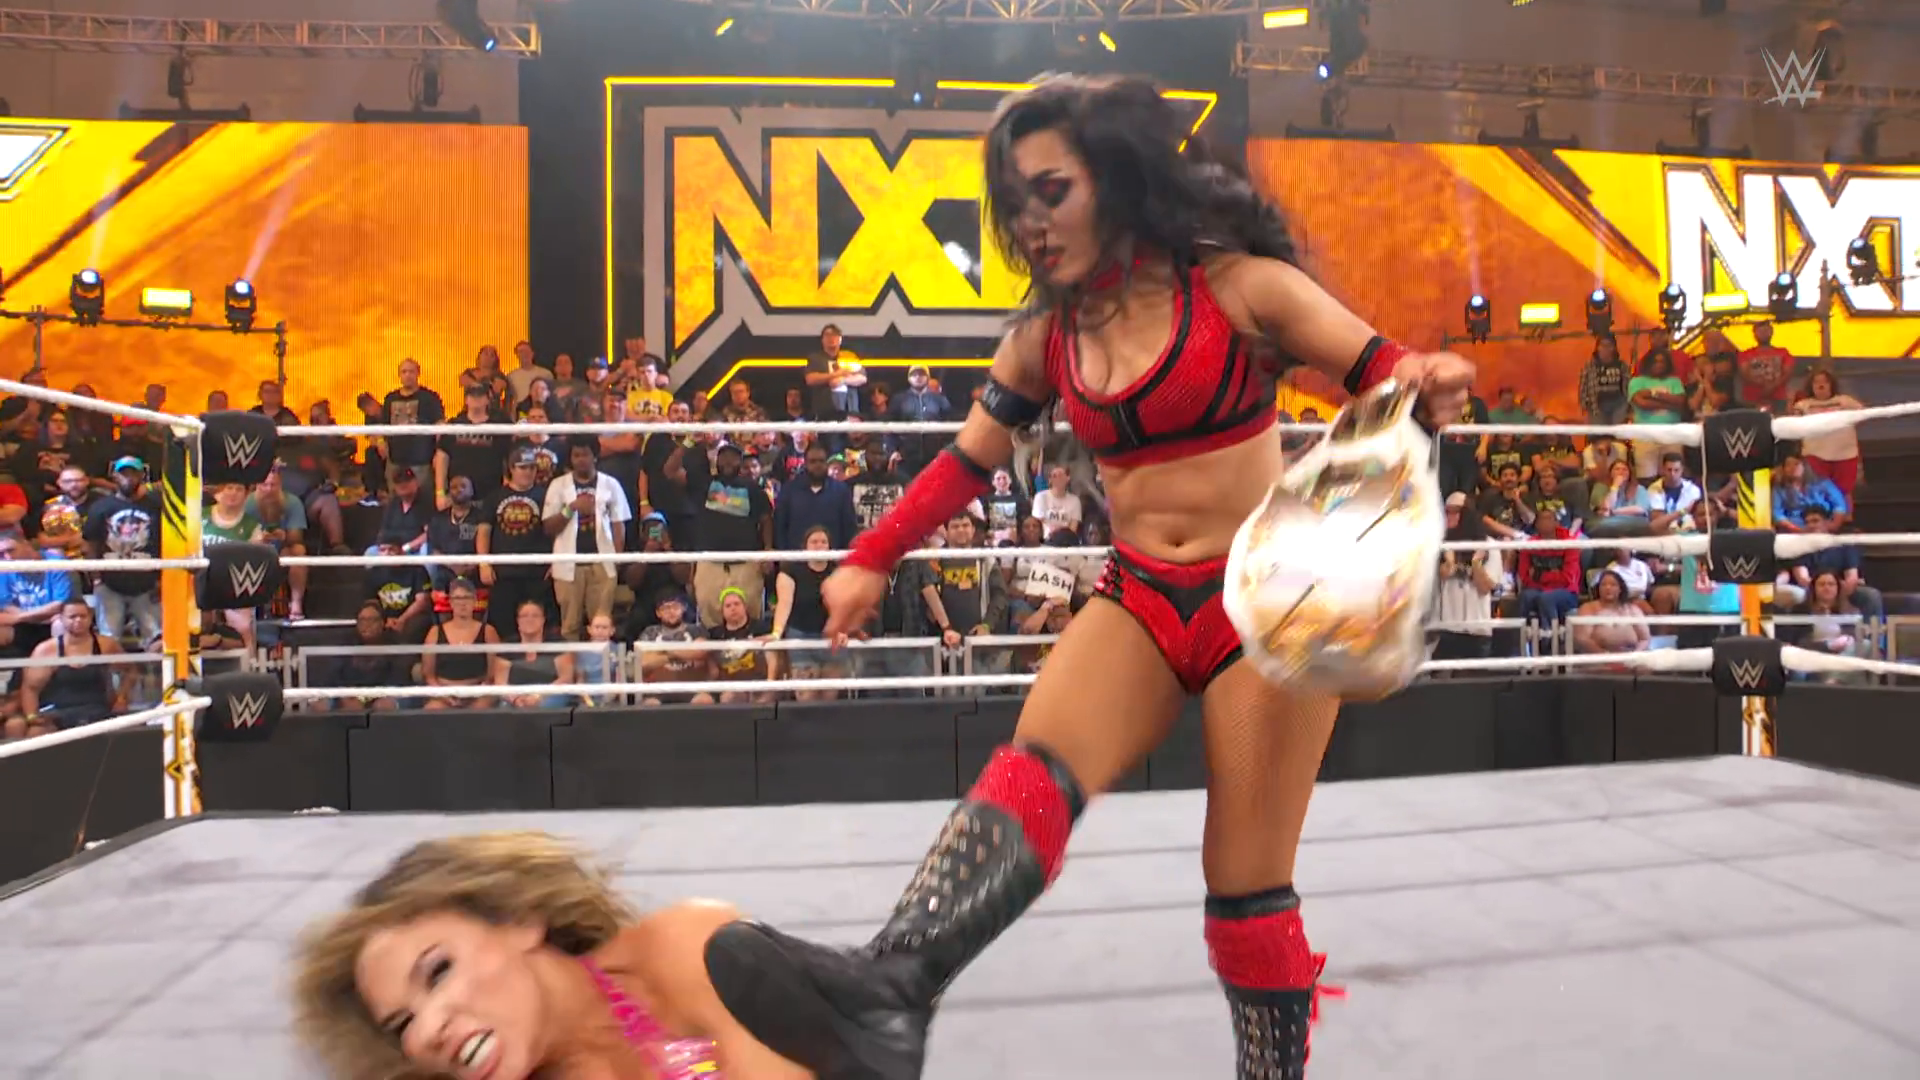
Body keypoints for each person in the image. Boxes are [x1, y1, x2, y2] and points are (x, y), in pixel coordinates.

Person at [698, 74, 1472, 1079]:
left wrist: (1427, 381)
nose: (1031, 221)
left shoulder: (1243, 290)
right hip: (1140, 596)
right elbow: (965, 462)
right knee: (1031, 772)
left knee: (1244, 883)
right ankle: (887, 995)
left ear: (1116, 176)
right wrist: (872, 556)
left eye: (1052, 190)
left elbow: (1383, 367)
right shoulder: (1043, 337)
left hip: (1262, 607)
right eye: (1014, 200)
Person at [292, 831, 810, 1079]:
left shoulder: (686, 950)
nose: (426, 1031)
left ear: (518, 920)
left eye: (439, 971)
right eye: (402, 1024)